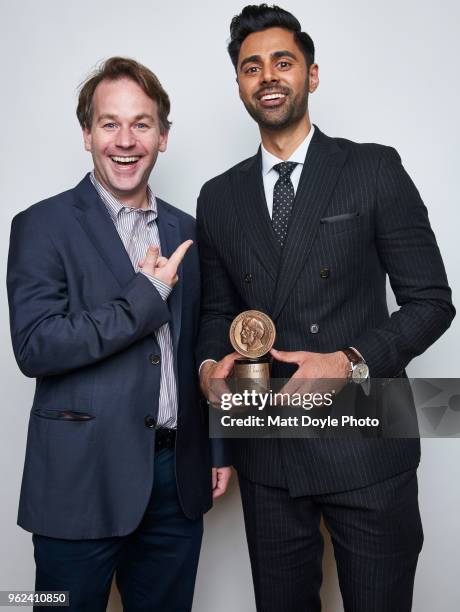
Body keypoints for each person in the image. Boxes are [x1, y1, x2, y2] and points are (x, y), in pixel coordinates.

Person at [197, 5, 455, 611]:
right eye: (251, 67)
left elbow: (432, 302)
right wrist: (209, 370)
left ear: (311, 75)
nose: (268, 76)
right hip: (269, 449)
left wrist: (350, 360)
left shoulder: (373, 168)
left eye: (282, 62)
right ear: (239, 84)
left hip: (366, 439)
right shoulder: (219, 196)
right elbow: (215, 312)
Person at [7, 56, 230, 612]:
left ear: (164, 136)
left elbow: (205, 339)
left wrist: (217, 445)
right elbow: (37, 345)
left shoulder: (187, 230)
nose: (125, 141)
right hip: (78, 484)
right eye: (109, 124)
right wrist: (144, 298)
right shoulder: (40, 225)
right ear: (87, 134)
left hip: (175, 483)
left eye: (142, 124)